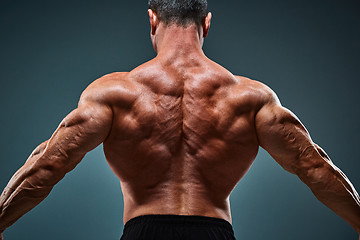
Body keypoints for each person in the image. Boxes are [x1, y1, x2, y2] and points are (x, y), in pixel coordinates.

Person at [0, 0, 359, 239]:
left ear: (152, 18)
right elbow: (314, 166)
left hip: (143, 231)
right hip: (215, 232)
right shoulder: (250, 97)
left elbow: (49, 164)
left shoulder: (114, 93)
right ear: (206, 23)